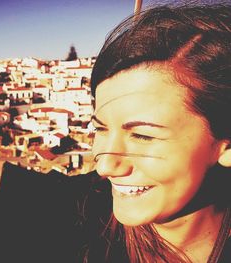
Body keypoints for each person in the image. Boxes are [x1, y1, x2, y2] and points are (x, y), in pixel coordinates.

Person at [88, 2, 231, 263]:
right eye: (100, 128)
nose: (105, 166)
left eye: (143, 136)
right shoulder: (55, 227)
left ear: (226, 146)